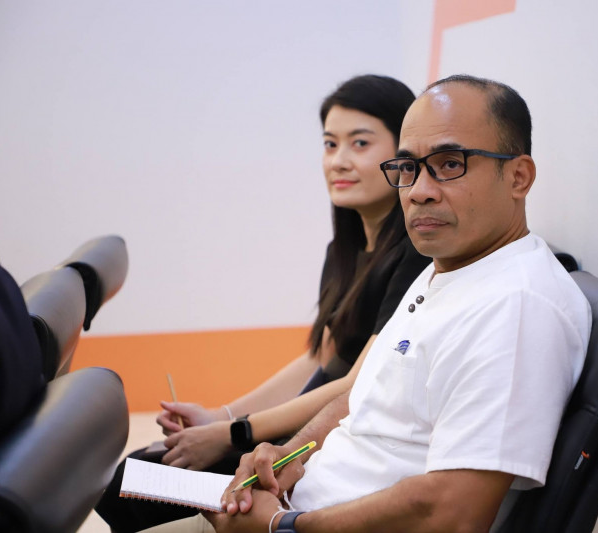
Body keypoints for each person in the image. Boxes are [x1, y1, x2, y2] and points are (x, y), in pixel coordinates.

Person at [147, 74, 592, 533]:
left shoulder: (515, 308)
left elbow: (455, 511)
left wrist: (283, 525)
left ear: (518, 177)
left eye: (449, 164)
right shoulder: (448, 267)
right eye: (408, 167)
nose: (418, 190)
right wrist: (289, 453)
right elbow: (363, 394)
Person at [95, 74, 431, 532]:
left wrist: (232, 433)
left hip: (319, 449)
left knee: (135, 486)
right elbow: (319, 359)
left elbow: (356, 383)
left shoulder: (415, 255)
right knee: (133, 474)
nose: (339, 160)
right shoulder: (345, 248)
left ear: (402, 156)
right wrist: (221, 417)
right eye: (330, 144)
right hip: (284, 436)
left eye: (360, 143)